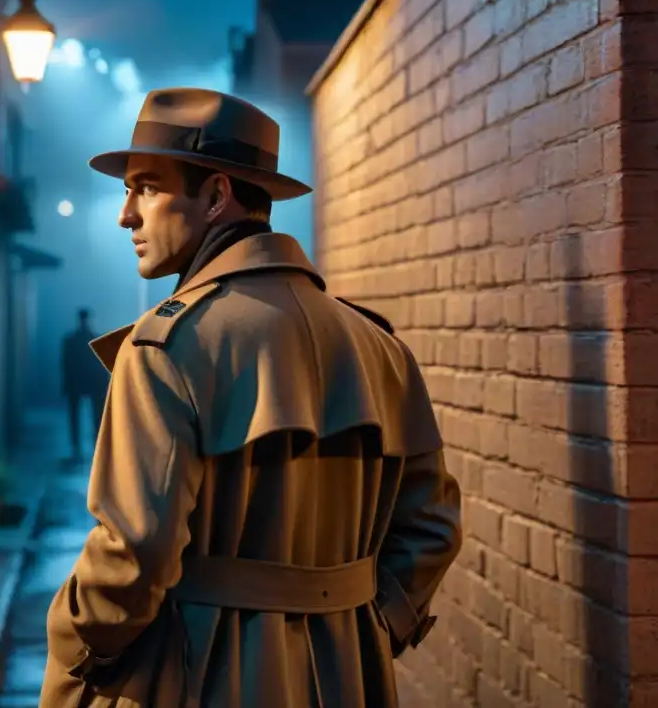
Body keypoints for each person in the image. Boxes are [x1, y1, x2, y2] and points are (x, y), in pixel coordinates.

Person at [40, 88, 462, 707]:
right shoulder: (378, 346)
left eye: (148, 188)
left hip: (195, 676)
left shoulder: (166, 346)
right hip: (351, 679)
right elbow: (433, 526)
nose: (125, 215)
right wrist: (364, 630)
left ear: (214, 196)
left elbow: (135, 552)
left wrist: (76, 644)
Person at [60, 307, 108, 462]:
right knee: (96, 417)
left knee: (77, 417)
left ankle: (77, 449)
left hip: (77, 382)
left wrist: (65, 385)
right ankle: (95, 447)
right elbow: (103, 364)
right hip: (94, 384)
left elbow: (65, 365)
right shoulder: (96, 338)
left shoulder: (70, 340)